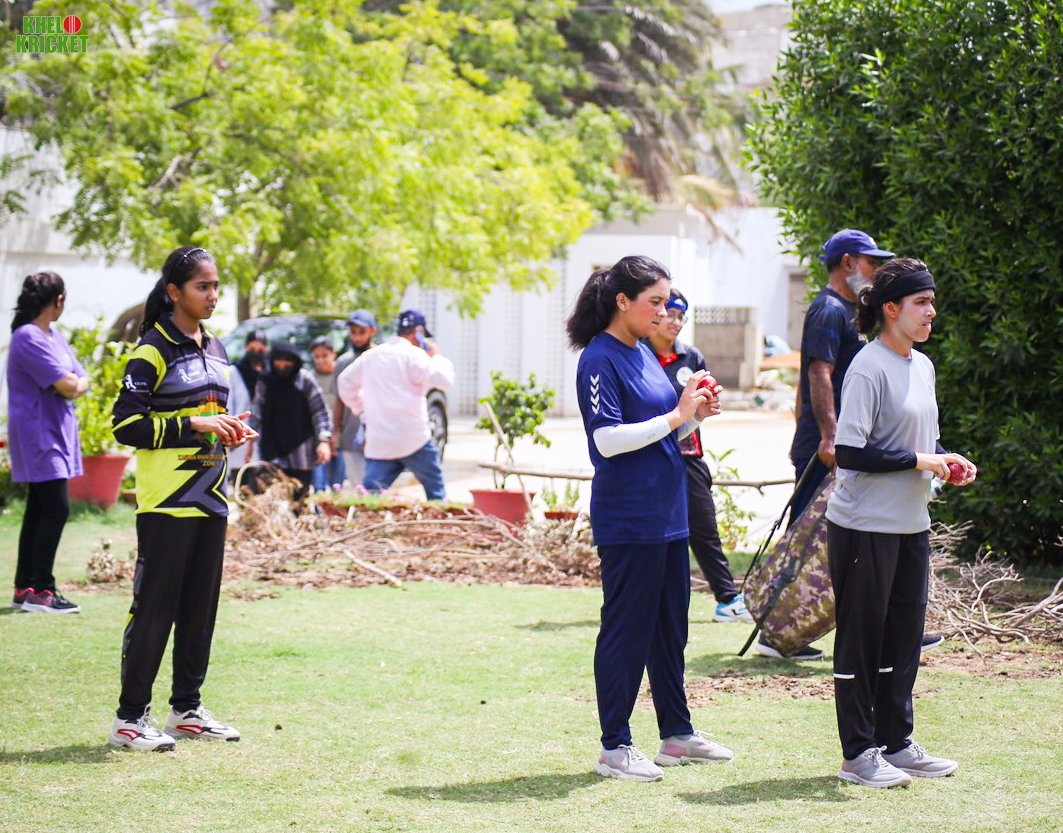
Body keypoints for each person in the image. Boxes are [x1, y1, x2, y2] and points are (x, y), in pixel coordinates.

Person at [567, 255, 734, 783]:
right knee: (627, 632)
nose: (665, 312)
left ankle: (676, 735)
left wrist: (692, 418)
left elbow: (661, 433)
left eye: (667, 302)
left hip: (668, 514)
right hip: (630, 518)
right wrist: (677, 414)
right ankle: (615, 747)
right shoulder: (599, 358)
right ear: (623, 301)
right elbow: (607, 441)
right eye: (655, 302)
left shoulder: (641, 351)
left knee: (669, 630)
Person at [827, 257, 975, 788]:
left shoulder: (923, 365)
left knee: (904, 640)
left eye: (932, 302)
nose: (931, 311)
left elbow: (917, 444)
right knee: (862, 642)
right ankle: (857, 754)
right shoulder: (867, 366)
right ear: (891, 309)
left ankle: (895, 743)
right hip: (863, 525)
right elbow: (849, 451)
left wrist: (945, 460)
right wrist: (921, 460)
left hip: (912, 524)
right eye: (922, 302)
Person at [762, 228, 941, 660]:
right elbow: (817, 373)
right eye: (870, 262)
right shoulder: (827, 308)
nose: (875, 270)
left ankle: (891, 624)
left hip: (846, 440)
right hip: (830, 444)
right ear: (847, 263)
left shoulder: (850, 314)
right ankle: (776, 632)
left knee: (824, 543)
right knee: (806, 541)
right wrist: (828, 435)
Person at [109, 246, 257, 751]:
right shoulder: (151, 349)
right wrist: (194, 423)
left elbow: (210, 416)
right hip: (166, 503)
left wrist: (228, 429)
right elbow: (127, 425)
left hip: (211, 498)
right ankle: (130, 719)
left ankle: (186, 710)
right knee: (155, 609)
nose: (213, 295)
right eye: (202, 286)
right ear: (174, 292)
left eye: (216, 286)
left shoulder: (216, 347)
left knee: (199, 610)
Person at [646, 289, 751, 623]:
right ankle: (648, 599)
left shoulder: (691, 357)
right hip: (650, 458)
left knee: (704, 528)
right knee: (652, 532)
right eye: (670, 314)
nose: (675, 322)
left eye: (681, 316)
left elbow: (704, 403)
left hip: (688, 455)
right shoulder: (638, 355)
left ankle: (728, 600)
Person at [7, 271, 87, 614]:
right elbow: (69, 384)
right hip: (38, 433)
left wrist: (74, 382)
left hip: (53, 430)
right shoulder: (28, 336)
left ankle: (25, 588)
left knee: (39, 509)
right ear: (58, 301)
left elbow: (79, 377)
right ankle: (43, 590)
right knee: (56, 508)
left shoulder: (52, 335)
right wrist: (73, 383)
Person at [336, 309, 453, 500]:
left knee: (370, 498)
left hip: (381, 441)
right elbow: (445, 380)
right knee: (436, 494)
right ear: (418, 332)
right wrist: (437, 356)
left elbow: (344, 382)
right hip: (414, 439)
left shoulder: (372, 355)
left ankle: (362, 520)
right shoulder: (415, 355)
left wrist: (361, 408)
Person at [245, 340, 332, 501]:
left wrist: (324, 440)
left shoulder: (304, 379)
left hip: (301, 450)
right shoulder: (265, 381)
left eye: (288, 360)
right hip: (271, 449)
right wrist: (250, 444)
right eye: (278, 360)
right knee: (272, 498)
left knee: (299, 499)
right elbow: (256, 413)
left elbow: (320, 411)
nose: (283, 365)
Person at [332, 309, 377, 489]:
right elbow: (339, 400)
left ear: (372, 331)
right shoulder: (342, 363)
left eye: (362, 332)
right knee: (358, 488)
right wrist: (335, 432)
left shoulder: (382, 358)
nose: (357, 338)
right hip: (351, 436)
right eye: (353, 332)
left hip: (379, 435)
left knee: (378, 489)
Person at [226, 329, 268, 480]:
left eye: (260, 350)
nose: (256, 353)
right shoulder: (234, 372)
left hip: (265, 438)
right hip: (241, 435)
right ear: (245, 347)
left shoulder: (269, 373)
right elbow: (229, 405)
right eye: (252, 349)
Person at [308, 336, 346, 492]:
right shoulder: (310, 378)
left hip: (341, 438)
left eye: (324, 356)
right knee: (319, 485)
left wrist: (336, 435)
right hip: (318, 439)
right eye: (316, 357)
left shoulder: (343, 374)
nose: (321, 360)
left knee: (337, 485)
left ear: (333, 354)